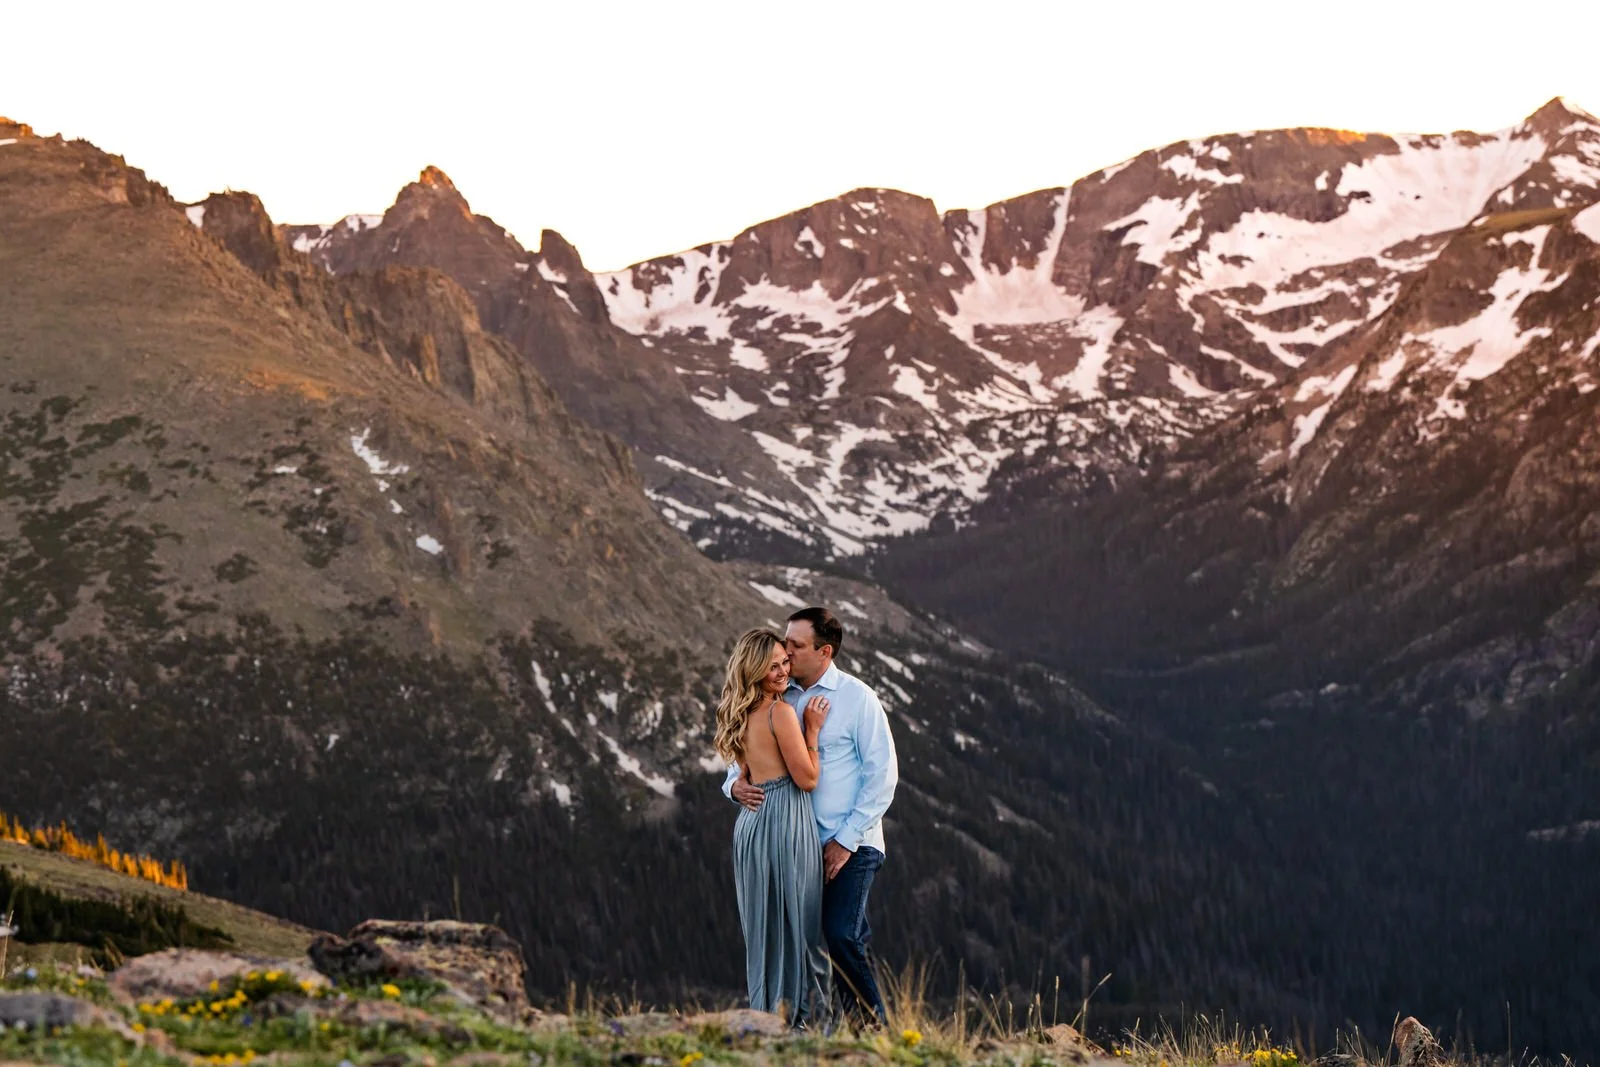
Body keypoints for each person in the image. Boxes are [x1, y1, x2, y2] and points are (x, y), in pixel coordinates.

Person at [723, 607, 899, 1028]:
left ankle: (874, 1031)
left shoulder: (857, 699)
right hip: (795, 843)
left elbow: (883, 775)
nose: (786, 652)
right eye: (784, 645)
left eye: (795, 647)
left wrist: (846, 839)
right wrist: (732, 786)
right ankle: (837, 1030)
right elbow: (745, 758)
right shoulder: (781, 698)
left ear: (824, 652)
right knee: (824, 939)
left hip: (850, 842)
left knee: (839, 935)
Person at [712, 627, 833, 1027]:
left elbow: (742, 773)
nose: (783, 671)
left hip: (751, 825)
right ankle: (806, 1024)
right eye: (773, 666)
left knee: (764, 932)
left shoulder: (738, 715)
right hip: (784, 820)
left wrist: (735, 787)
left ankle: (767, 1019)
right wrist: (812, 730)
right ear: (754, 670)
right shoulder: (779, 713)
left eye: (785, 662)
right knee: (801, 926)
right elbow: (808, 779)